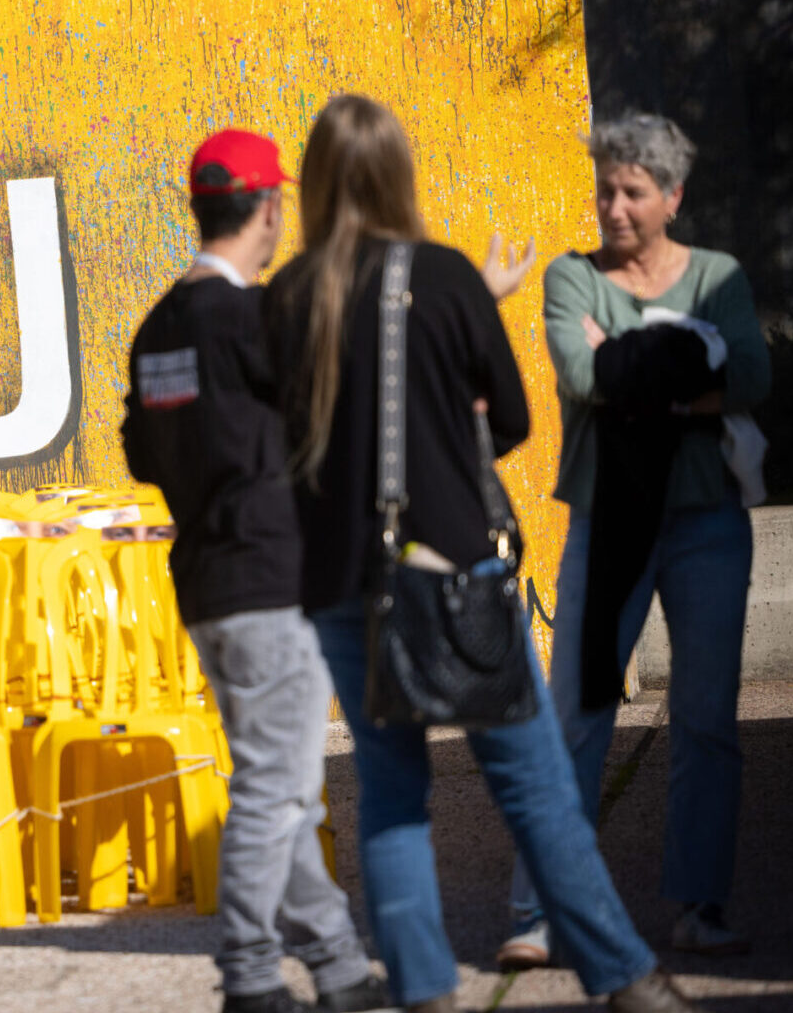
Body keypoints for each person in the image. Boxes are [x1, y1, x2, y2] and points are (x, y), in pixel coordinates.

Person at [262, 94, 699, 1013]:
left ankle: (424, 992)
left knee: (390, 798)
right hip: (454, 570)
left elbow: (282, 451)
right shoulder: (446, 277)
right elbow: (511, 419)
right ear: (397, 176)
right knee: (536, 792)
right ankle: (625, 979)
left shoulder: (289, 298)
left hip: (341, 584)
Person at [121, 128, 389, 1013]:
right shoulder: (255, 316)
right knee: (276, 792)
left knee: (286, 790)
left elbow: (140, 452)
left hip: (206, 581)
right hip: (272, 579)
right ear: (270, 208)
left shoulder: (159, 324)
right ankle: (246, 972)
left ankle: (341, 966)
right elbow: (329, 420)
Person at [498, 114, 769, 969]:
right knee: (577, 715)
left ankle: (699, 907)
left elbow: (754, 378)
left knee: (704, 720)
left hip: (707, 526)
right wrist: (693, 367)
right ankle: (542, 914)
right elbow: (584, 379)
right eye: (605, 188)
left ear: (671, 197)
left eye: (632, 191)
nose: (613, 206)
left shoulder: (718, 277)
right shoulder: (571, 278)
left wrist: (632, 366)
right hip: (606, 520)